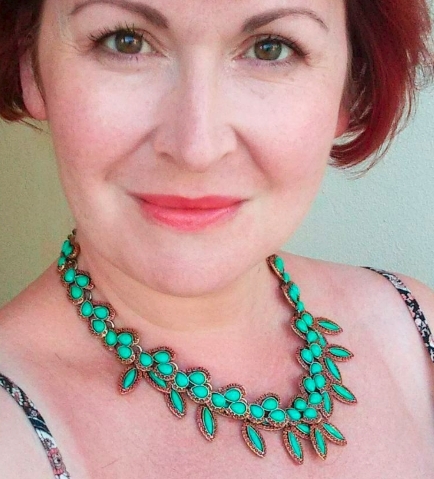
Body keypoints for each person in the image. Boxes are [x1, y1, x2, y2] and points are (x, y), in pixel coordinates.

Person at [0, 0, 433, 477]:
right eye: (125, 41)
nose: (196, 149)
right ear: (30, 67)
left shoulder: (415, 331)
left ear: (351, 85)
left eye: (271, 49)